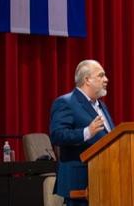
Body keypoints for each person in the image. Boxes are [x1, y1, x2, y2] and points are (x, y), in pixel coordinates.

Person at [50, 60, 115, 206]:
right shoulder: (65, 102)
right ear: (87, 80)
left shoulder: (101, 105)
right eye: (101, 75)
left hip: (105, 178)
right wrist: (86, 132)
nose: (106, 79)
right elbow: (57, 135)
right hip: (79, 181)